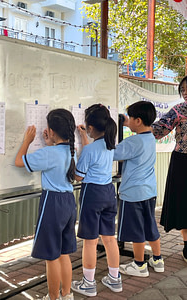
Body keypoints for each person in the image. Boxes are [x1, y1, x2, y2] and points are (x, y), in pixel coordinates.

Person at [15, 108, 77, 300]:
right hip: (69, 201)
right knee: (64, 253)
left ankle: (52, 298)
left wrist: (27, 140)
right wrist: (50, 142)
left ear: (51, 130)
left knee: (51, 257)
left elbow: (19, 161)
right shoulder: (70, 150)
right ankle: (67, 295)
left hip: (52, 203)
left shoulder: (48, 153)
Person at [71, 104, 122, 296]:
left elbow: (79, 176)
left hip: (92, 194)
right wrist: (84, 137)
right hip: (109, 192)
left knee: (90, 241)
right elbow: (92, 149)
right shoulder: (109, 145)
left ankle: (88, 283)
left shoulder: (89, 151)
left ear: (91, 128)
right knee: (109, 239)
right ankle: (115, 279)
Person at [115, 101, 164, 277]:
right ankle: (157, 260)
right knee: (150, 226)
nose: (128, 121)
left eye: (131, 118)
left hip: (133, 193)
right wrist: (127, 123)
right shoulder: (150, 137)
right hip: (149, 191)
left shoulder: (132, 142)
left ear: (138, 120)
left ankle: (139, 265)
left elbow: (113, 153)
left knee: (136, 231)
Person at [152, 76, 187, 263]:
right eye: (183, 90)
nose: (185, 92)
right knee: (183, 203)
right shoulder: (178, 110)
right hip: (182, 161)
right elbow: (159, 130)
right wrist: (137, 125)